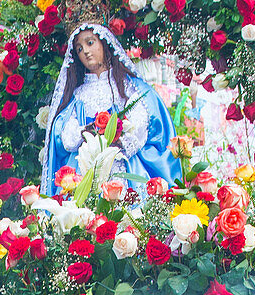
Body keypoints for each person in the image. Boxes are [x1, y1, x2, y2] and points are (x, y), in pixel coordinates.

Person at [41, 15, 180, 197]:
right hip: (86, 171)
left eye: (90, 43)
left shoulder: (130, 87)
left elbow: (144, 119)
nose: (86, 52)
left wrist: (120, 137)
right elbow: (65, 134)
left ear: (104, 42)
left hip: (126, 167)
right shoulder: (78, 96)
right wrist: (87, 132)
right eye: (80, 48)